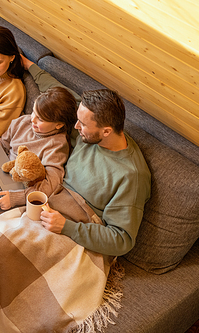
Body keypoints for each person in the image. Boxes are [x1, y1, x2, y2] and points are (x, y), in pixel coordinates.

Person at [37, 88, 151, 257]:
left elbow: (122, 240)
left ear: (106, 131)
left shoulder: (131, 176)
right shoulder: (91, 125)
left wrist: (67, 227)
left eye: (82, 124)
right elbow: (58, 96)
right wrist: (34, 64)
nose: (76, 127)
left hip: (74, 229)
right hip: (48, 204)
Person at [0, 86, 78, 210]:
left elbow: (52, 184)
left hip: (21, 190)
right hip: (2, 169)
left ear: (58, 125)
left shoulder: (56, 145)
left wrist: (17, 198)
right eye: (33, 112)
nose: (33, 119)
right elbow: (3, 143)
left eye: (40, 119)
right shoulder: (23, 122)